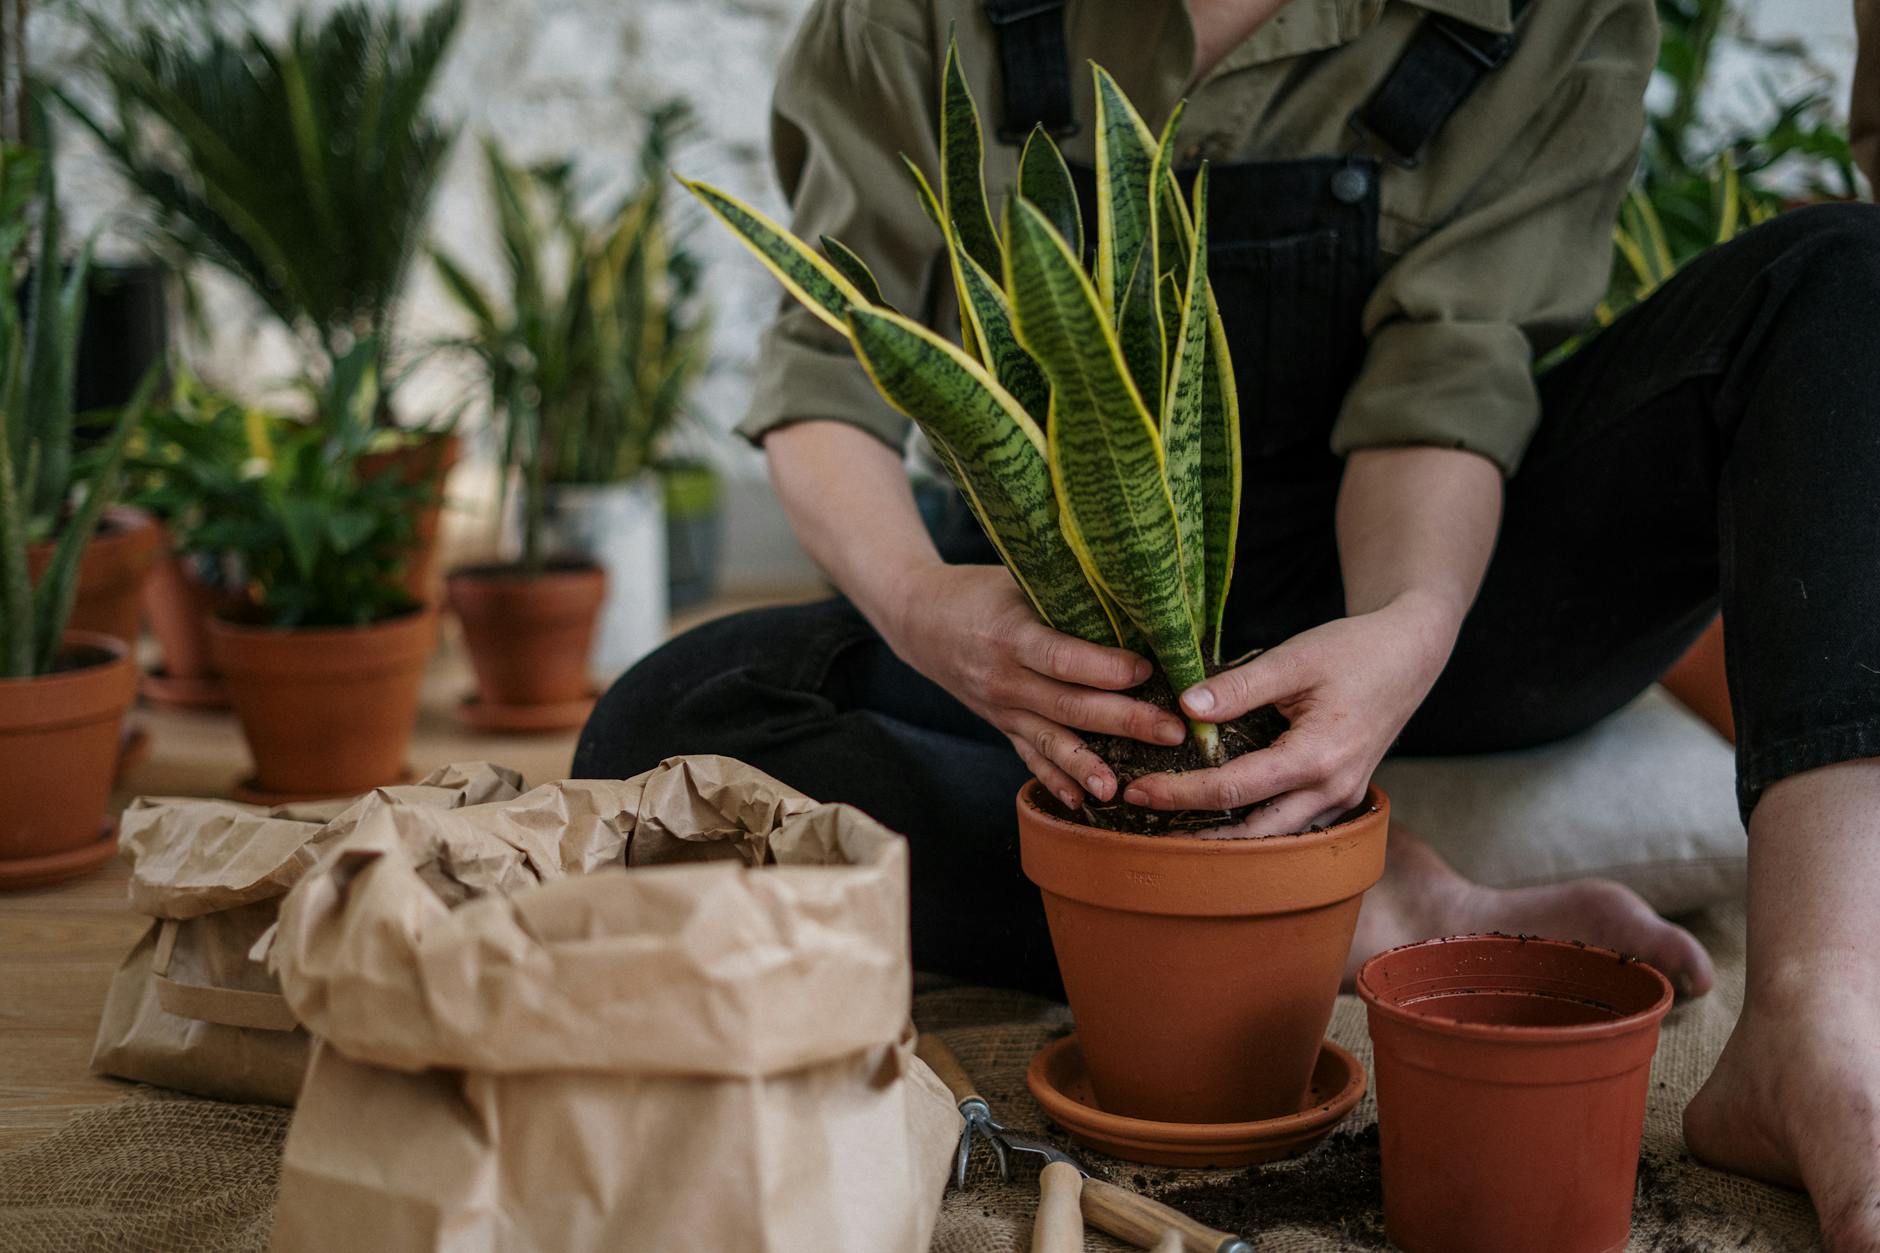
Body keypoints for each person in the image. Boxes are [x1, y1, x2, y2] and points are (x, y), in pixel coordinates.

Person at [576, 1, 1880, 1242]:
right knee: (667, 729)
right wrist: (930, 611)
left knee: (1838, 281)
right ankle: (1364, 912)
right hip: (1089, 625)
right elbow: (831, 372)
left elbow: (1447, 380)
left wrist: (1409, 629)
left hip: (1447, 592)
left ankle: (1819, 1011)